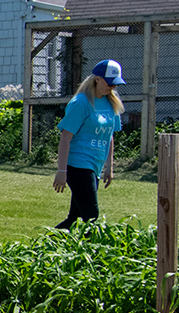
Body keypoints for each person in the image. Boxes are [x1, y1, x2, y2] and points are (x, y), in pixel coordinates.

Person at [54, 59, 125, 230]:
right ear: (97, 79)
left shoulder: (111, 103)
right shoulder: (81, 103)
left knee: (76, 218)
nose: (112, 88)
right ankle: (92, 253)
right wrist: (62, 171)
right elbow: (65, 137)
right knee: (91, 217)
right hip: (78, 165)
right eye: (109, 83)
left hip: (95, 167)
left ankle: (42, 251)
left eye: (115, 85)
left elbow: (109, 136)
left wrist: (109, 167)